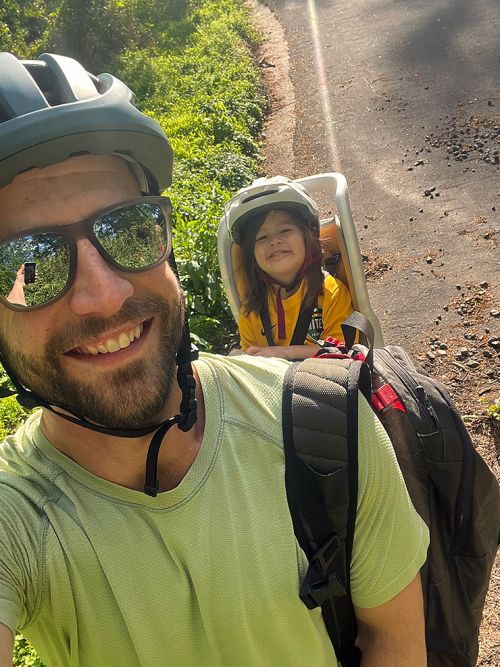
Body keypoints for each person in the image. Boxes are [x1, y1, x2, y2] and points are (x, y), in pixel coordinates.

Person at [0, 52, 429, 667]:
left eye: (130, 228)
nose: (107, 294)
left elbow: (394, 640)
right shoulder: (16, 513)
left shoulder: (329, 425)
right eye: (26, 265)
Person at [225, 177, 353, 360]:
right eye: (261, 237)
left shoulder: (331, 294)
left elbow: (344, 352)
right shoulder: (252, 310)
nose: (274, 241)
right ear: (251, 254)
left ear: (307, 238)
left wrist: (283, 353)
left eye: (285, 230)